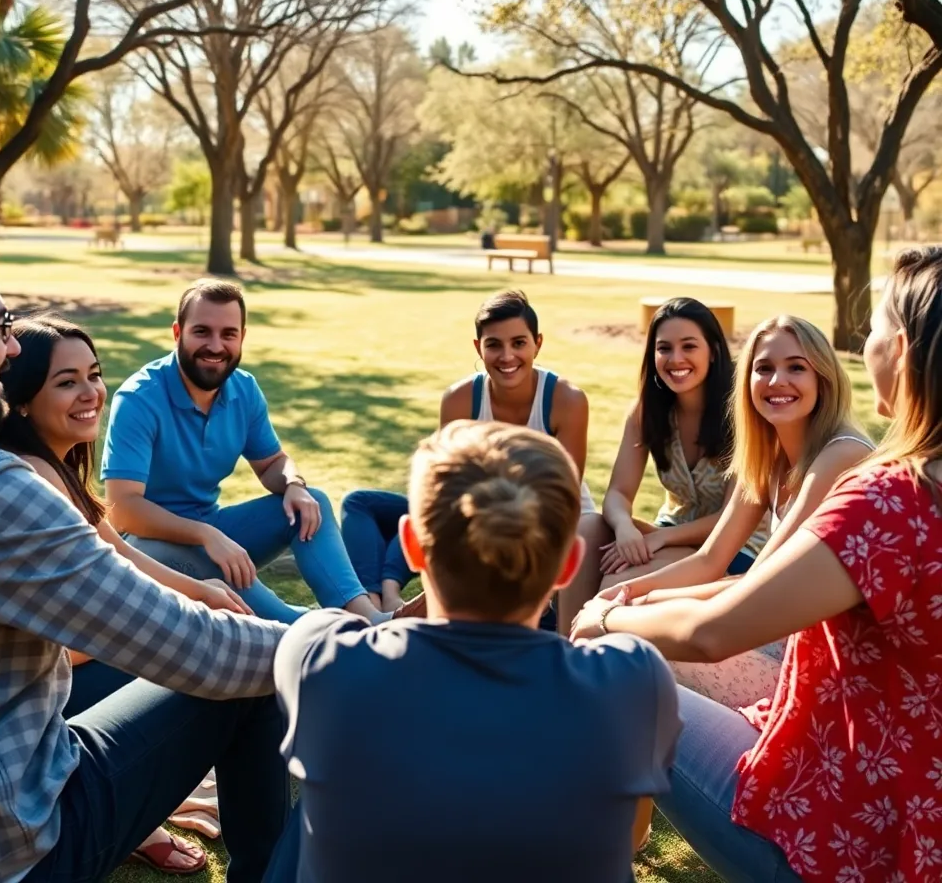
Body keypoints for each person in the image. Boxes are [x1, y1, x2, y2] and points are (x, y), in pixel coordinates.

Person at [0, 212, 289, 883]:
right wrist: (354, 649)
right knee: (247, 676)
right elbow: (196, 651)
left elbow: (112, 546)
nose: (10, 352)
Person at [571, 247, 942, 883]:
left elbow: (718, 629)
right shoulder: (888, 486)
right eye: (764, 368)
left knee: (617, 667)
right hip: (901, 797)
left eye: (874, 327)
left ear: (900, 349)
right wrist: (634, 597)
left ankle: (594, 851)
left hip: (845, 826)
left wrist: (605, 621)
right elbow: (719, 567)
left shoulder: (886, 493)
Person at [265, 420, 680, 883]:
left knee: (307, 824)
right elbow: (631, 838)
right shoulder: (634, 680)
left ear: (412, 547)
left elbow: (325, 629)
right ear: (569, 564)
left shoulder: (321, 657)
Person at [0, 314, 244, 873]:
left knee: (212, 632)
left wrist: (201, 592)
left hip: (61, 680)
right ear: (19, 400)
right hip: (27, 713)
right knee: (222, 674)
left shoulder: (54, 466)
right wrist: (170, 631)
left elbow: (120, 553)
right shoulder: (23, 482)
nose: (91, 392)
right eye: (66, 382)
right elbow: (61, 647)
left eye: (94, 374)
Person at [598, 315, 874, 707]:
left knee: (634, 647)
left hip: (825, 669)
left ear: (824, 378)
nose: (777, 381)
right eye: (764, 368)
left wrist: (635, 605)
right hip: (775, 635)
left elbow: (760, 580)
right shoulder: (766, 458)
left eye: (796, 367)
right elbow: (711, 559)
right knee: (626, 637)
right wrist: (620, 595)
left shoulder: (842, 454)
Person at [101, 278, 392, 624]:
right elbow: (122, 510)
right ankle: (334, 631)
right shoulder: (138, 399)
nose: (215, 345)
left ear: (241, 337)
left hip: (213, 529)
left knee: (309, 502)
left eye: (228, 334)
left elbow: (273, 464)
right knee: (274, 623)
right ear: (177, 333)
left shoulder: (244, 389)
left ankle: (365, 616)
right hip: (151, 546)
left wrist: (294, 485)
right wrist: (206, 535)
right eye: (202, 332)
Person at [341, 289, 596, 628]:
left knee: (534, 622)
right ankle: (379, 603)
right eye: (494, 345)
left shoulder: (566, 399)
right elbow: (444, 495)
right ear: (479, 348)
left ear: (537, 343)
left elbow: (565, 499)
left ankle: (389, 599)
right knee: (361, 504)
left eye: (519, 343)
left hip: (548, 524)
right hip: (476, 513)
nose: (507, 356)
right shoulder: (460, 399)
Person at [560, 298, 736, 628]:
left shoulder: (741, 414)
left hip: (729, 549)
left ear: (712, 351)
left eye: (689, 346)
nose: (675, 359)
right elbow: (618, 493)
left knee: (616, 583)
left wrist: (658, 540)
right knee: (587, 530)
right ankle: (565, 654)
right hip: (667, 532)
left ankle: (583, 655)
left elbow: (730, 518)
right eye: (664, 348)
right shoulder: (648, 412)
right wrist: (626, 527)